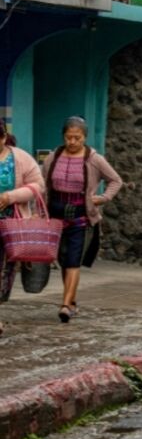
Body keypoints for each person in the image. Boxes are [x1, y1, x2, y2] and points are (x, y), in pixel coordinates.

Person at [41, 117, 122, 323]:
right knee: (62, 258)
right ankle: (72, 301)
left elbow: (116, 180)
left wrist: (103, 198)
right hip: (55, 214)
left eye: (77, 138)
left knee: (73, 260)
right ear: (63, 136)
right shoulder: (53, 157)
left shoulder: (94, 159)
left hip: (80, 215)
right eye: (69, 137)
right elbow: (41, 183)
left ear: (85, 138)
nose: (73, 141)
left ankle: (66, 305)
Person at [0, 120, 46, 337]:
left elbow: (38, 185)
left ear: (3, 138)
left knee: (5, 270)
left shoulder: (20, 158)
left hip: (12, 223)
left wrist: (11, 197)